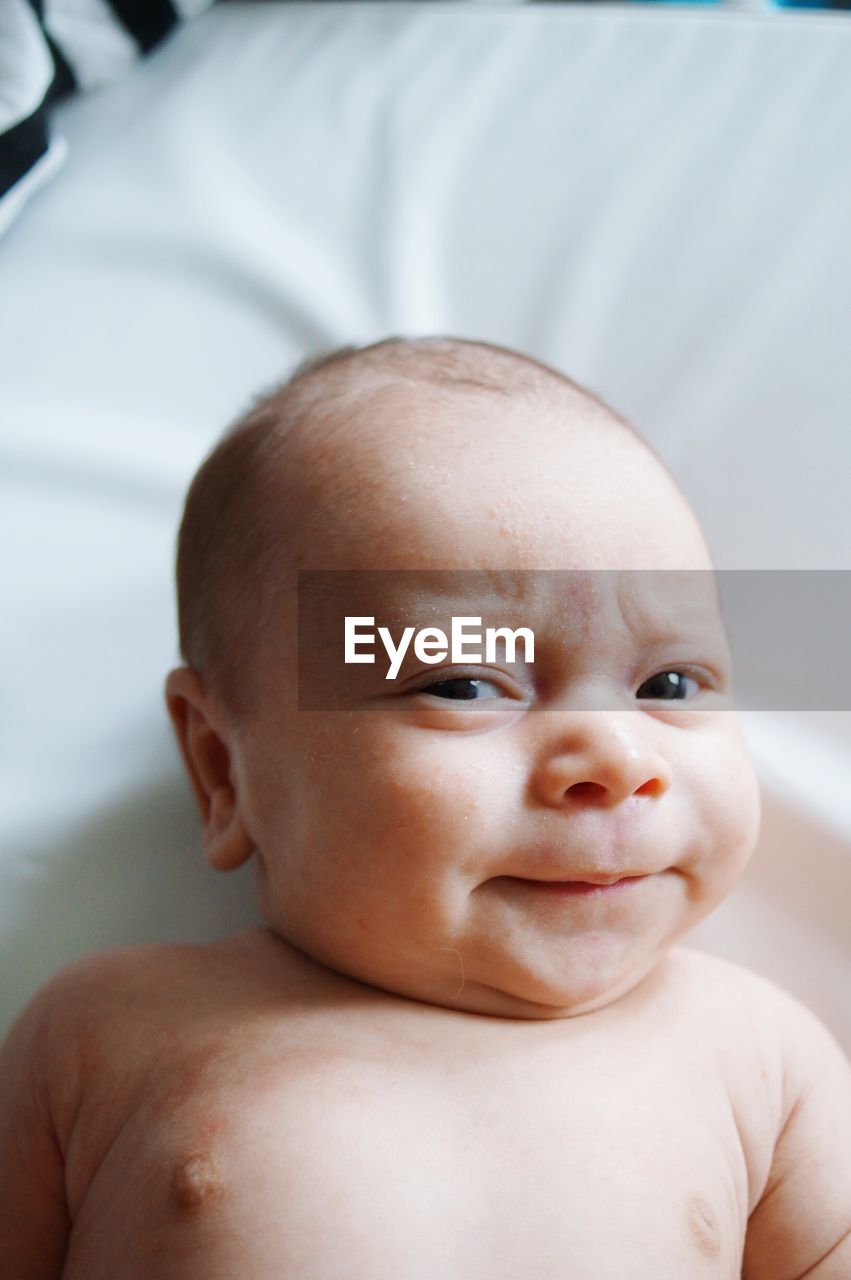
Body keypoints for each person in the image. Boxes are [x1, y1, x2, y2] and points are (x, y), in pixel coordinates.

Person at [1, 336, 849, 1277]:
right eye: (461, 684)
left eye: (673, 682)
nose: (615, 757)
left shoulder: (760, 1057)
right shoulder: (109, 1030)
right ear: (223, 770)